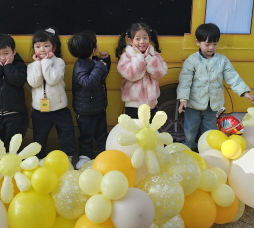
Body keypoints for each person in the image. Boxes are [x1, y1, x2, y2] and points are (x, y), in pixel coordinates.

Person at [177, 23, 254, 149]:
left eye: (215, 44)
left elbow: (232, 77)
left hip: (213, 104)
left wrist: (245, 93)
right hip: (193, 103)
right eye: (207, 44)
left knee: (210, 131)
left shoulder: (222, 60)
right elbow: (185, 81)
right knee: (190, 130)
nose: (211, 47)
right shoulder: (192, 60)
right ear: (198, 42)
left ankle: (206, 150)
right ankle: (189, 148)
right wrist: (183, 99)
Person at [27, 27, 76, 159]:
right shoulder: (32, 66)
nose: (42, 49)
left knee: (66, 133)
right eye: (38, 46)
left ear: (53, 48)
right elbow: (34, 83)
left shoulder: (59, 62)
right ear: (34, 48)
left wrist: (46, 62)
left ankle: (69, 156)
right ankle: (39, 157)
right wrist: (38, 64)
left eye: (46, 46)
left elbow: (52, 80)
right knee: (39, 136)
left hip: (59, 108)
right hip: (40, 110)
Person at [68, 30, 111, 169]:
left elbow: (102, 75)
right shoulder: (80, 66)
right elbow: (88, 82)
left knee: (101, 134)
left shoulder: (94, 61)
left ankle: (105, 154)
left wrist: (105, 60)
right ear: (93, 49)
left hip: (99, 107)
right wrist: (100, 65)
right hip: (85, 110)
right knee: (86, 135)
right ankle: (84, 157)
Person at [116, 22, 168, 120]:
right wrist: (139, 58)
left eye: (145, 38)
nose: (142, 41)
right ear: (130, 41)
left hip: (152, 103)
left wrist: (148, 58)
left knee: (150, 127)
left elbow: (159, 74)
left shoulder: (154, 55)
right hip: (133, 104)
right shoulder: (126, 56)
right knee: (134, 127)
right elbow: (132, 76)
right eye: (138, 38)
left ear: (149, 38)